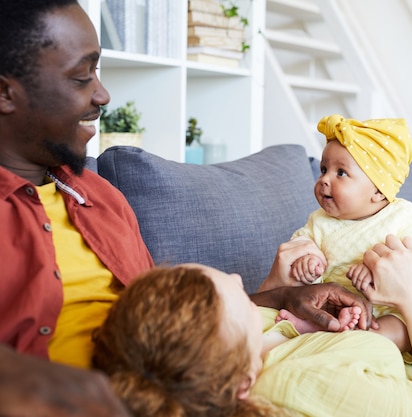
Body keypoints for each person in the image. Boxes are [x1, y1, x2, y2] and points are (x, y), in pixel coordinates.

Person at [0, 1, 374, 414]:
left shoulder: (100, 198)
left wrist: (286, 295)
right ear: (5, 92)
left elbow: (174, 330)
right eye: (81, 77)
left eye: (97, 73)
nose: (102, 95)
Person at [92, 200, 412, 417]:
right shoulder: (310, 388)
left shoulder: (215, 352)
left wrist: (276, 286)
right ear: (243, 381)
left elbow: (257, 315)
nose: (241, 281)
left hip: (389, 321)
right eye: (235, 292)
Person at [261, 114, 412, 352]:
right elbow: (301, 242)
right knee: (317, 309)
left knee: (398, 328)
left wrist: (379, 270)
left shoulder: (402, 215)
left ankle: (356, 338)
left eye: (340, 173)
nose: (324, 179)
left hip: (387, 308)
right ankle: (323, 330)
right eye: (324, 169)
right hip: (332, 306)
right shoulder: (320, 220)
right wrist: (308, 262)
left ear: (378, 190)